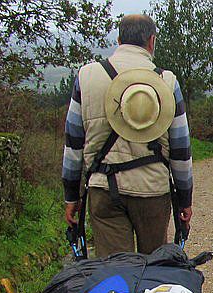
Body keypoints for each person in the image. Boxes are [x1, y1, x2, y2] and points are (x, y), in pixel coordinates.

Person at [62, 14, 193, 257]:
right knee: (152, 271)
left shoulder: (86, 77)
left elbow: (73, 145)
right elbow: (181, 149)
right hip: (152, 191)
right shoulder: (167, 81)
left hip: (103, 189)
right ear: (151, 41)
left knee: (115, 274)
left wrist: (72, 196)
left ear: (119, 39)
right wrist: (184, 199)